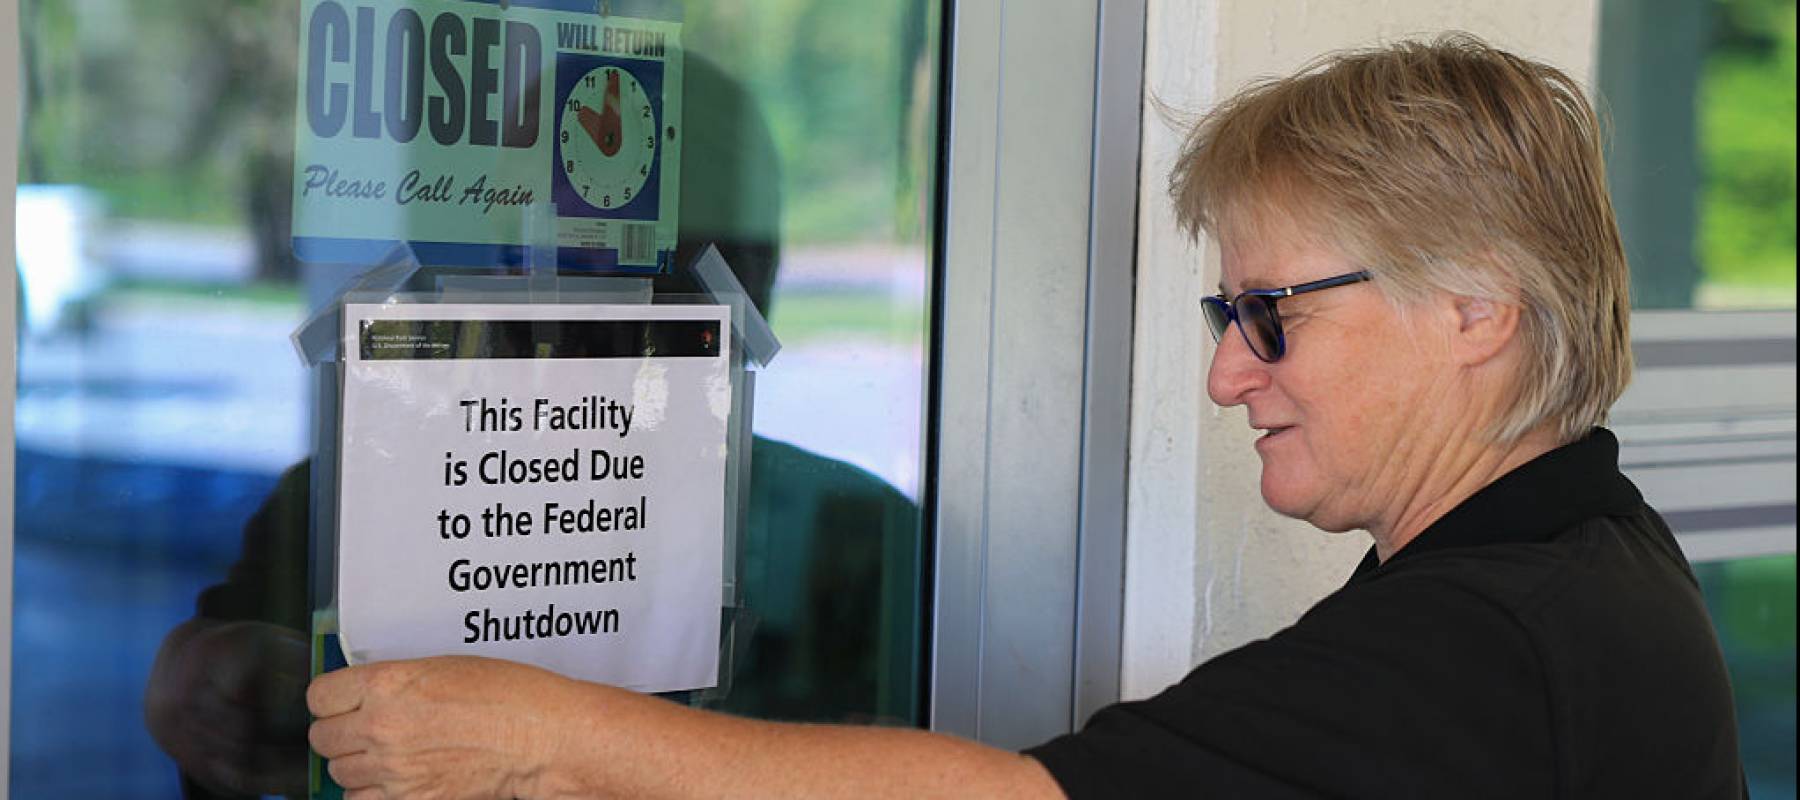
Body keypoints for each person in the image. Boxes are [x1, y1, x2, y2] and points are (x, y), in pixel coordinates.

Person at [305, 34, 1747, 798]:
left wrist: (552, 741)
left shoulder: (1500, 634)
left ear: (1477, 311)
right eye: (1220, 318)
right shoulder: (1561, 564)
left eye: (1270, 315)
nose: (1228, 375)